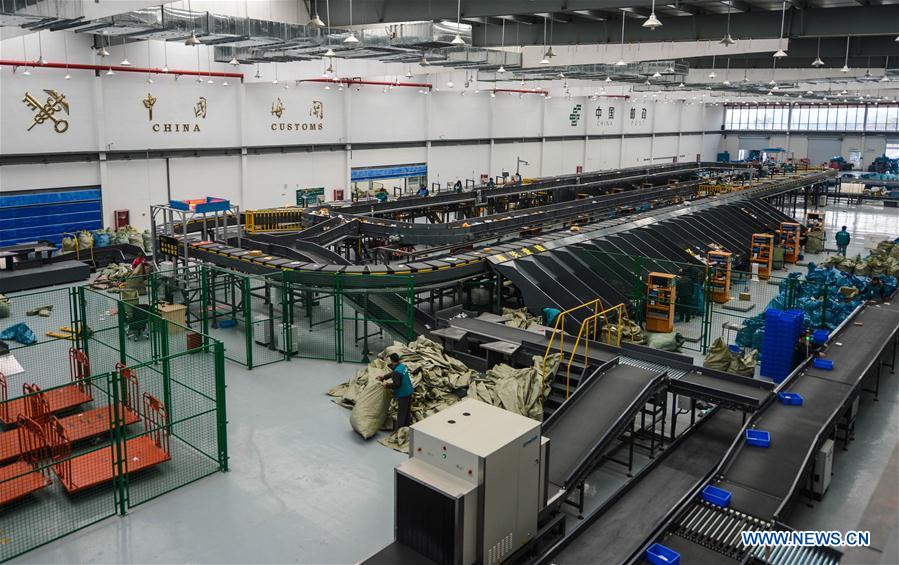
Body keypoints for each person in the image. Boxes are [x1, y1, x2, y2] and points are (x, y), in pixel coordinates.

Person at [379, 353, 414, 430]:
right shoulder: (402, 366)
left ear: (391, 360)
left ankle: (400, 431)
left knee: (401, 413)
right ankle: (406, 426)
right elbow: (393, 373)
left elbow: (396, 385)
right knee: (406, 411)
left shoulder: (397, 371)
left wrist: (386, 385)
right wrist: (384, 377)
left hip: (403, 394)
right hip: (409, 391)